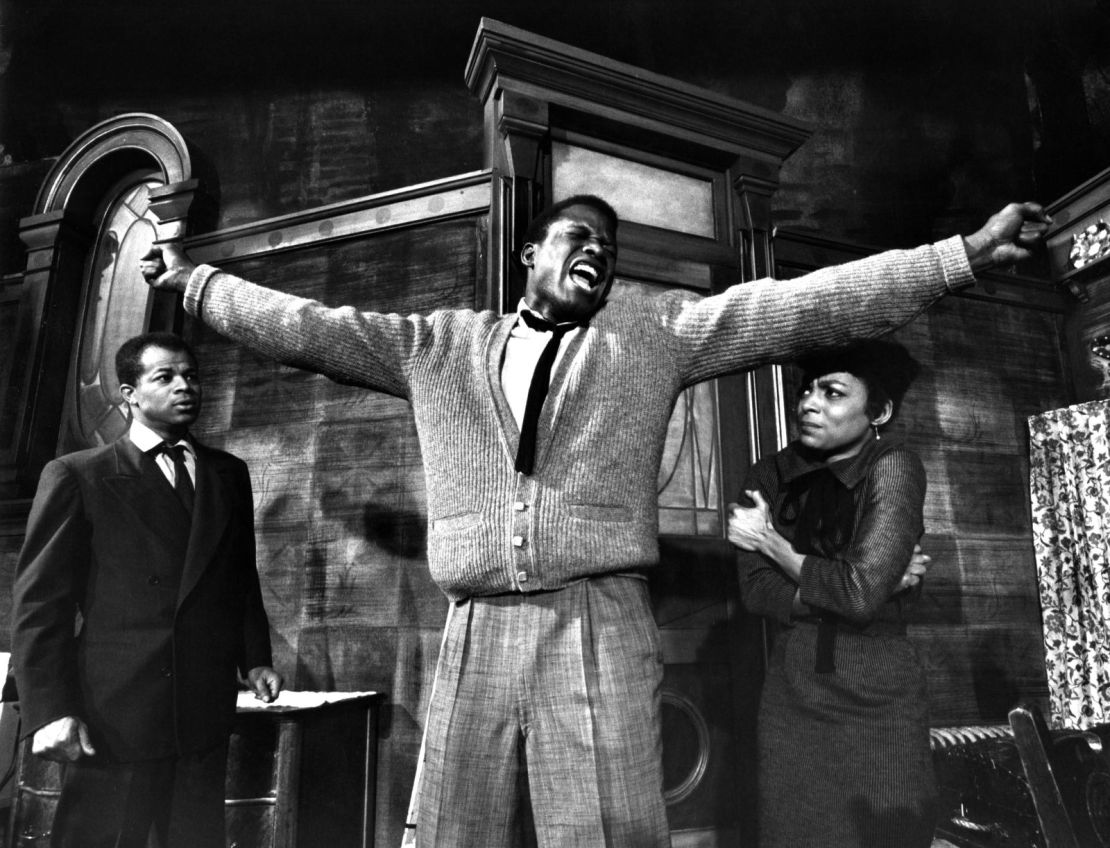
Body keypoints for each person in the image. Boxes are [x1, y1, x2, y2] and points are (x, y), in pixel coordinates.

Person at [141, 195, 1048, 848]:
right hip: (478, 626)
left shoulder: (651, 336)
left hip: (600, 621)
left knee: (607, 836)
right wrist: (198, 285)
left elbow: (797, 307)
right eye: (580, 236)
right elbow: (306, 326)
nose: (600, 252)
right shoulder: (436, 345)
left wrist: (958, 256)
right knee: (450, 834)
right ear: (529, 255)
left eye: (609, 247)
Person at [11, 331, 283, 848]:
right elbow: (39, 606)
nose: (186, 387)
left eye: (192, 376)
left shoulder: (229, 473)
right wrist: (49, 711)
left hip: (200, 713)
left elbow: (238, 578)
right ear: (129, 394)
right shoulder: (78, 475)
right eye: (166, 377)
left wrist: (255, 659)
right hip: (113, 716)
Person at [727, 339, 935, 847]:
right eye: (807, 391)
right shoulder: (770, 473)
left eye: (833, 392)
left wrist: (772, 542)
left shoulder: (894, 465)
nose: (808, 404)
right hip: (791, 692)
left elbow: (860, 595)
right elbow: (757, 592)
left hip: (878, 694)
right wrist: (867, 585)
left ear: (879, 410)